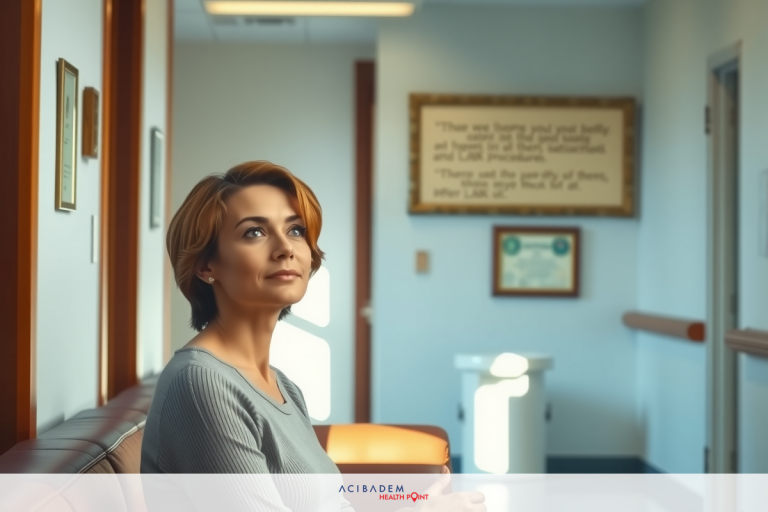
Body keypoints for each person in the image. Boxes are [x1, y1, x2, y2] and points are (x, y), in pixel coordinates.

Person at [140, 161, 485, 512]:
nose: (285, 248)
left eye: (295, 231)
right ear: (205, 266)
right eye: (254, 233)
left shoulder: (285, 387)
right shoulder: (201, 383)